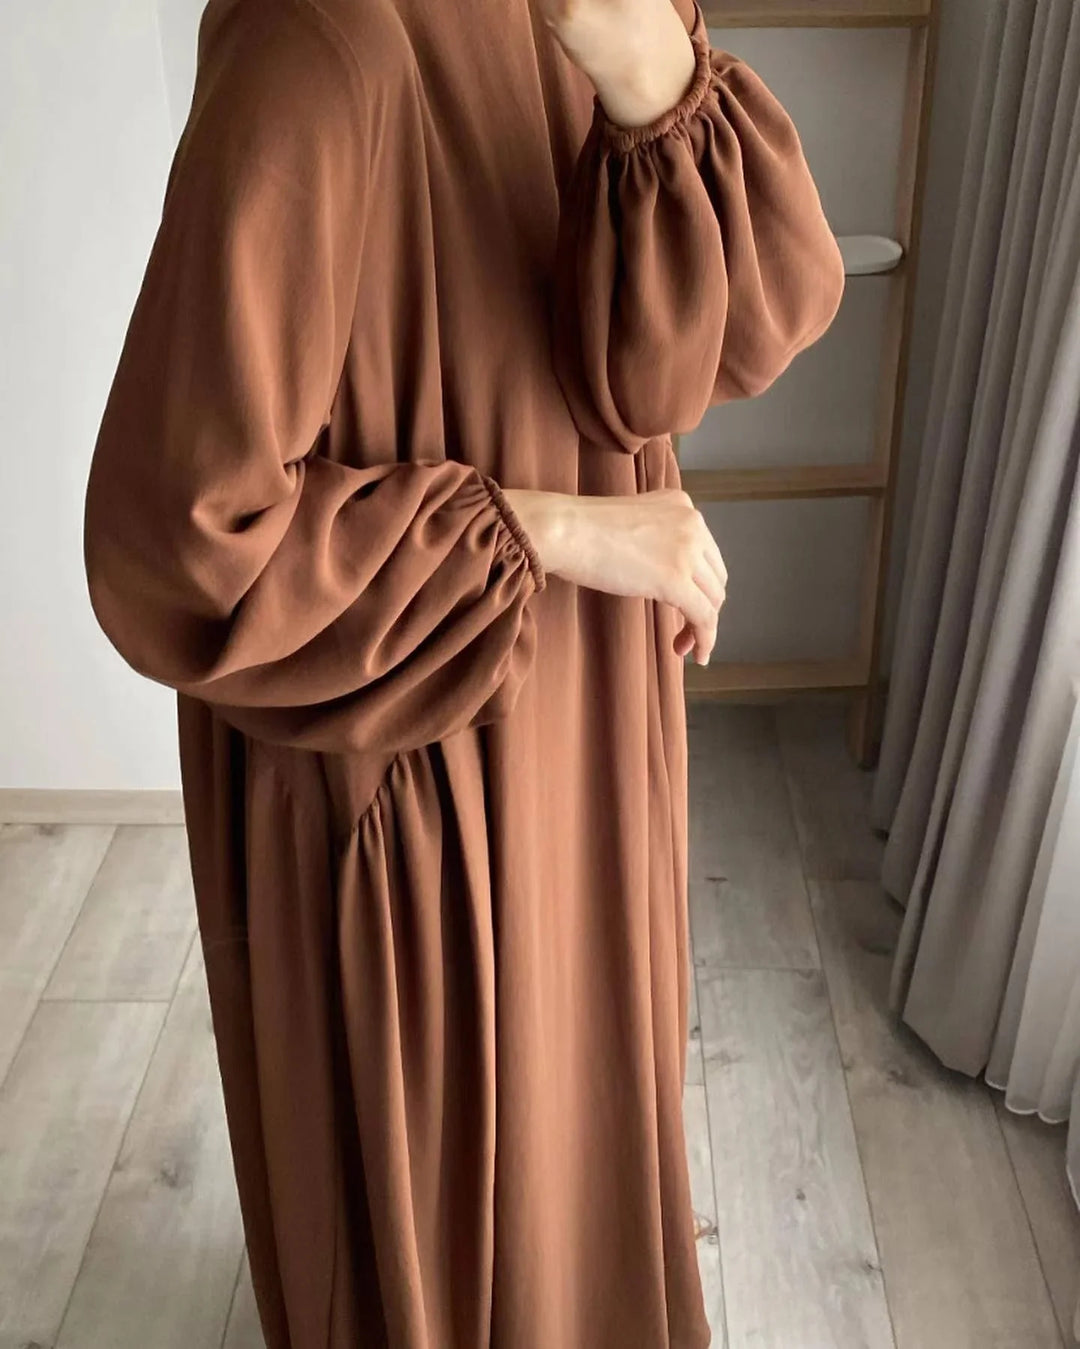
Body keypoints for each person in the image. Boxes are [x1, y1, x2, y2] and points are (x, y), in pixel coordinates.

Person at [83, 0, 845, 1343]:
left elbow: (696, 350)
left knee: (582, 1141)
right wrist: (556, 529)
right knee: (456, 1224)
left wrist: (645, 77)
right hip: (422, 728)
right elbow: (184, 542)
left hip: (585, 692)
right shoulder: (319, 41)